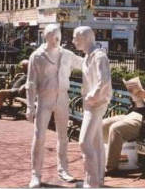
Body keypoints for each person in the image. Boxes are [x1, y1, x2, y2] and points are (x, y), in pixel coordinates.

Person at [26, 24, 83, 188]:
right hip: (45, 98)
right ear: (46, 37)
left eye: (58, 36)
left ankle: (63, 169)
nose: (56, 39)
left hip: (62, 98)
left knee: (63, 136)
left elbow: (85, 64)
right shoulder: (37, 56)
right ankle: (35, 174)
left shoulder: (66, 54)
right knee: (39, 137)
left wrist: (98, 57)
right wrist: (30, 106)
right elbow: (30, 83)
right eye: (53, 36)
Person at [72, 26, 112, 188]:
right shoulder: (88, 56)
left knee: (84, 142)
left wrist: (93, 95)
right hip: (90, 103)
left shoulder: (99, 56)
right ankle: (98, 179)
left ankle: (91, 181)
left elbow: (104, 80)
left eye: (76, 38)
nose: (74, 41)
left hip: (96, 103)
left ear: (86, 38)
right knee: (96, 142)